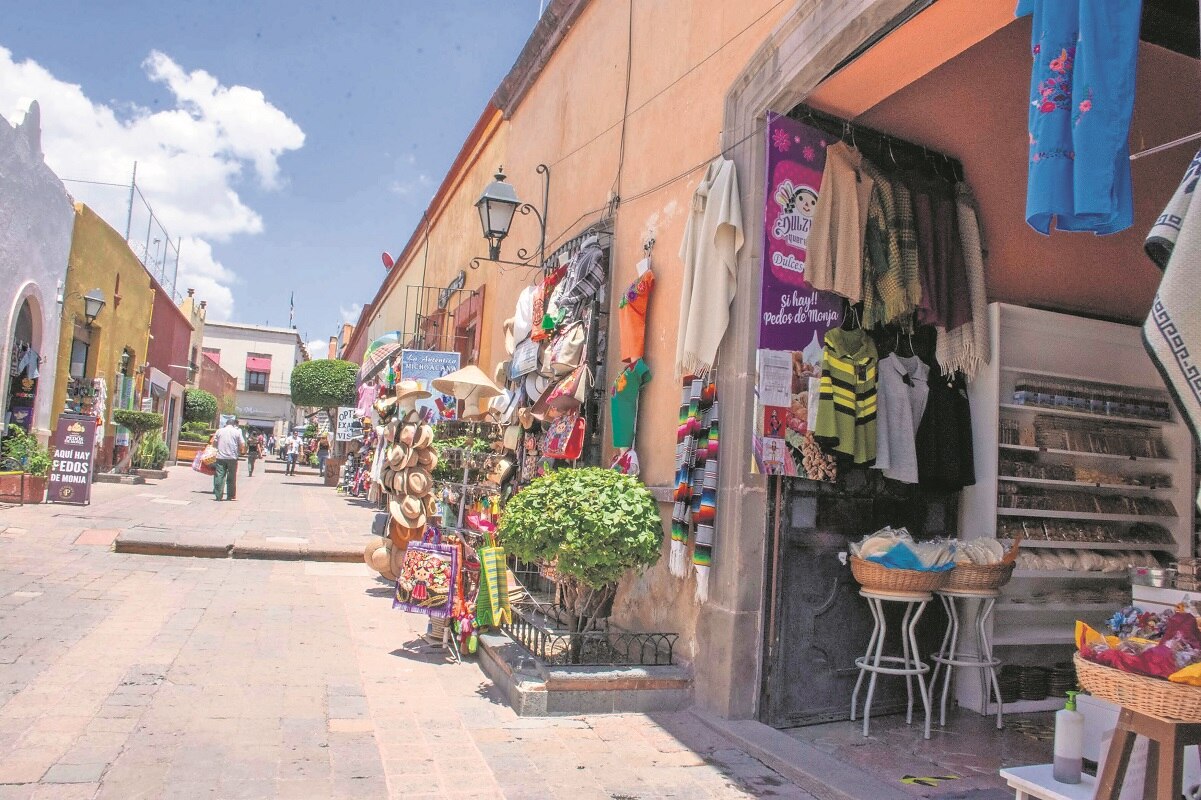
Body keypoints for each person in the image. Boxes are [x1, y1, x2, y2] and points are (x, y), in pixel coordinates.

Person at [213, 418, 246, 501]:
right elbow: (242, 444)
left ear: (226, 423)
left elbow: (214, 443)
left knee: (219, 475)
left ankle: (218, 495)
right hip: (232, 457)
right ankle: (230, 495)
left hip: (220, 457)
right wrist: (241, 451)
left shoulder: (219, 431)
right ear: (234, 424)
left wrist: (217, 448)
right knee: (231, 476)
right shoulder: (237, 432)